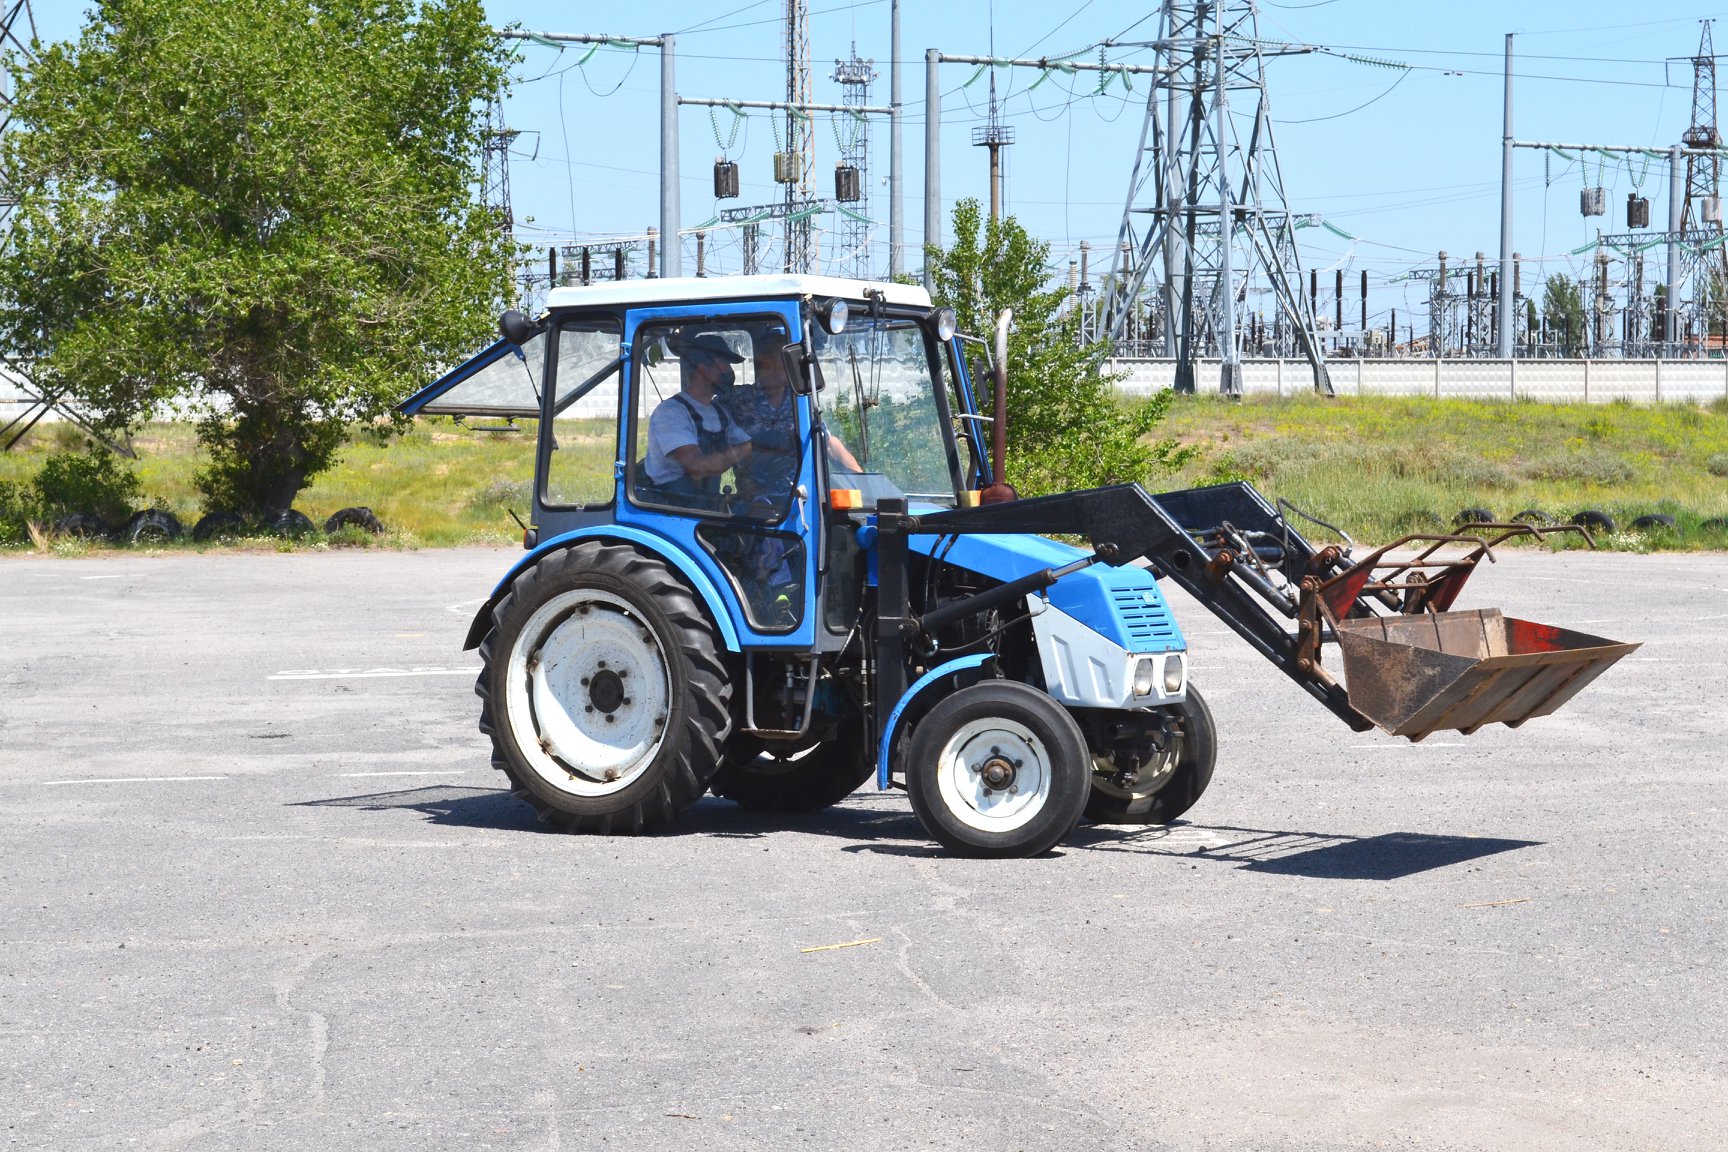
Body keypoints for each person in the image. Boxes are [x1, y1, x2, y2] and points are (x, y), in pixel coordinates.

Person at [641, 333, 752, 506]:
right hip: (671, 511)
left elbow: (748, 446)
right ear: (703, 369)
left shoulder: (720, 412)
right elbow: (697, 467)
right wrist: (748, 447)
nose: (730, 371)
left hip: (704, 508)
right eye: (724, 364)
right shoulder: (671, 413)